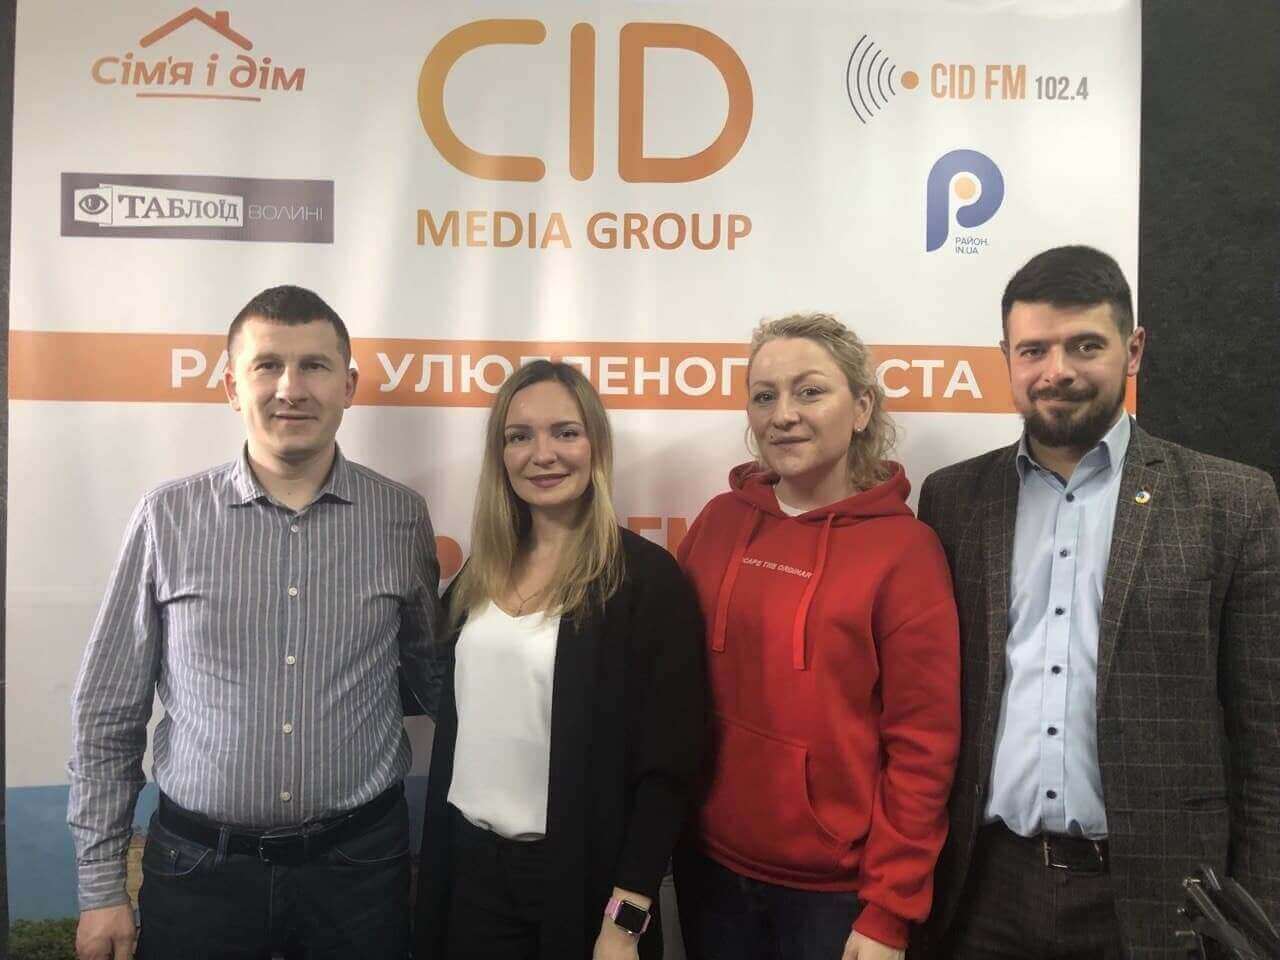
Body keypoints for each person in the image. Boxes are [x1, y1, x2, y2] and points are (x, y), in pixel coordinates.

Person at [917, 245, 1280, 958]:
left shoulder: (1232, 502)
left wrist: (1261, 914)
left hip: (1164, 897)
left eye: (1085, 345)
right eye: (1033, 350)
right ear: (1007, 358)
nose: (1056, 370)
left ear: (1133, 349)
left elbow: (1267, 733)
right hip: (983, 891)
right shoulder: (953, 499)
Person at [68, 285, 442, 960]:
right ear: (231, 388)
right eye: (267, 365)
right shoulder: (167, 519)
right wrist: (100, 888)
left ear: (349, 385)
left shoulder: (400, 518)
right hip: (198, 873)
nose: (290, 388)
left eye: (314, 366)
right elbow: (107, 716)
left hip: (358, 873)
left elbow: (430, 675)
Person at [674, 313, 961, 960]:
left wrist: (890, 910)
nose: (783, 415)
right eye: (764, 395)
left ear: (861, 408)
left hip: (835, 895)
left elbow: (923, 744)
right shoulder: (720, 522)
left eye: (809, 391)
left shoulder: (905, 551)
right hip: (708, 866)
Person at [413, 359, 707, 960]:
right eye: (519, 436)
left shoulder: (644, 579)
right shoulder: (480, 571)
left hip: (581, 885)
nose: (541, 454)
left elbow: (669, 770)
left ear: (595, 444)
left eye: (565, 432)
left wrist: (625, 920)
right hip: (469, 873)